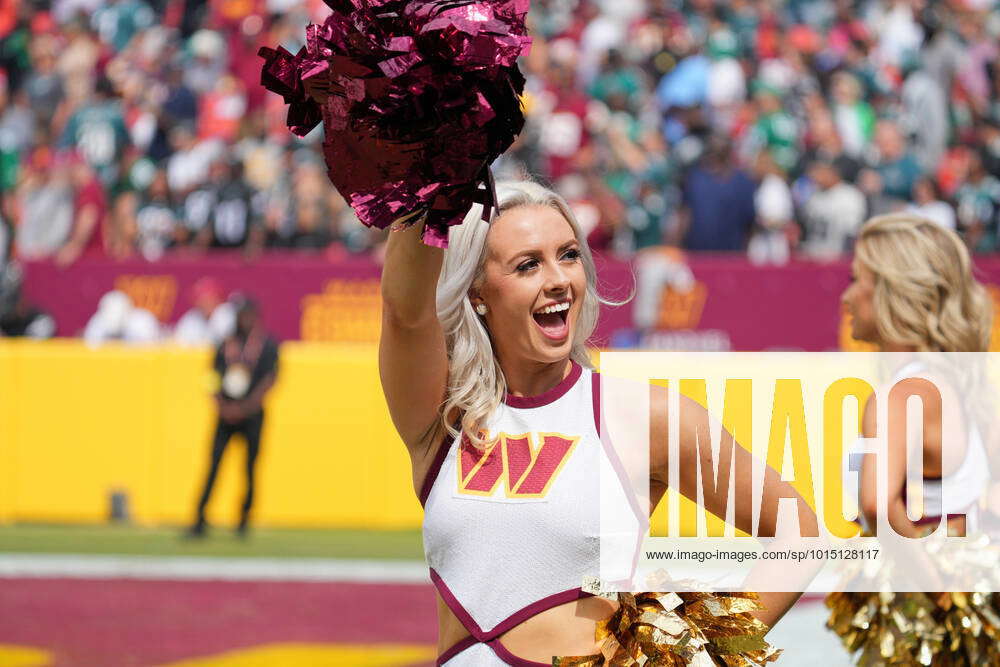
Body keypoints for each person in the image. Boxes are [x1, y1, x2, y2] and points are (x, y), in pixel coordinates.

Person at [379, 180, 810, 665]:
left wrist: (704, 655)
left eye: (568, 255)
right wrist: (428, 169)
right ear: (477, 290)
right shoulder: (443, 415)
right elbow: (405, 314)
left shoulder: (643, 416)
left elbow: (799, 530)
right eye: (528, 264)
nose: (559, 278)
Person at [829, 213, 998, 664]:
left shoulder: (898, 397)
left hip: (923, 636)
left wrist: (942, 601)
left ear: (890, 291)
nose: (845, 297)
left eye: (855, 279)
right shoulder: (961, 386)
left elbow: (878, 506)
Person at [188, 297, 278, 538]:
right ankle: (199, 518)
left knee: (249, 468)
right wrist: (222, 406)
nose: (245, 320)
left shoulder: (266, 346)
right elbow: (211, 378)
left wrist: (247, 407)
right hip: (225, 415)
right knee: (214, 465)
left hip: (252, 416)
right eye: (241, 316)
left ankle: (244, 520)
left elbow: (270, 380)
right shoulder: (225, 345)